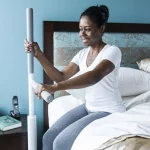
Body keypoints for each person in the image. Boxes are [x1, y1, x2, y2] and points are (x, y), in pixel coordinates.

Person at [24, 5, 126, 150]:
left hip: (108, 110)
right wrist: (38, 54)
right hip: (89, 107)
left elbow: (94, 76)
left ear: (101, 29)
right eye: (80, 28)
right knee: (48, 137)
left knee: (60, 143)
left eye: (88, 29)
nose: (81, 33)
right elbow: (61, 76)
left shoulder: (112, 51)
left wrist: (54, 88)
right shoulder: (82, 55)